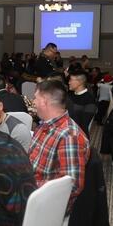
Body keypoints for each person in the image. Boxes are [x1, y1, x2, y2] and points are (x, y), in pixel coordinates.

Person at [29, 80, 90, 213]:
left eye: (35, 98)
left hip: (44, 206)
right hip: (31, 192)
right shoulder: (44, 126)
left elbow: (71, 185)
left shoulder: (69, 136)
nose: (33, 102)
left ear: (44, 101)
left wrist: (28, 187)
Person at [67, 71, 97, 137]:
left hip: (78, 135)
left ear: (80, 82)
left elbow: (84, 122)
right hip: (66, 131)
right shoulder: (69, 95)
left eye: (71, 80)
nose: (69, 82)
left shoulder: (90, 99)